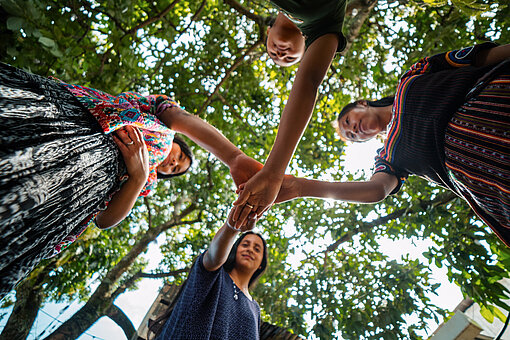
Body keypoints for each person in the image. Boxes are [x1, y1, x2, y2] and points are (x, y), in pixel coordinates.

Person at [0, 63, 260, 298]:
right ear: (177, 143)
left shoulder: (147, 181)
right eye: (179, 157)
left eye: (175, 170)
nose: (173, 164)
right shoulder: (161, 125)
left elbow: (104, 220)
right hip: (69, 123)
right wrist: (234, 157)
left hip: (72, 193)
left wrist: (137, 178)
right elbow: (181, 119)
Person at [274, 42, 510, 246]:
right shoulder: (388, 156)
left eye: (349, 121)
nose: (354, 130)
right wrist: (301, 187)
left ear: (361, 103)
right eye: (352, 136)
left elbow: (477, 58)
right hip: (496, 179)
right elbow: (377, 190)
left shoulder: (412, 76)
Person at [231, 0, 348, 226]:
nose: (280, 55)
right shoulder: (325, 28)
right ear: (308, 46)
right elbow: (308, 82)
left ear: (268, 34)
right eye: (289, 58)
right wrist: (274, 172)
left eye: (274, 55)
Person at [149, 209, 267, 340]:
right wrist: (233, 226)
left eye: (257, 249)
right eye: (245, 245)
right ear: (234, 250)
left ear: (261, 263)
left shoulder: (255, 309)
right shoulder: (214, 274)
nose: (250, 249)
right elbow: (213, 256)